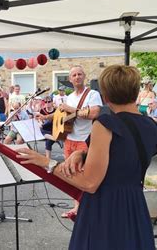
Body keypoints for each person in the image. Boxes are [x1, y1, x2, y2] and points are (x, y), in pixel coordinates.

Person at [16, 65, 157, 249]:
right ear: (135, 92)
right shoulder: (150, 126)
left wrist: (47, 162)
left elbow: (90, 183)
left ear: (106, 97)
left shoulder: (106, 124)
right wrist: (84, 153)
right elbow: (126, 151)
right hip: (135, 205)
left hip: (105, 207)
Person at [58, 65, 102, 219]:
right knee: (71, 174)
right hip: (70, 139)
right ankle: (77, 206)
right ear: (70, 79)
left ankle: (83, 208)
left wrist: (71, 109)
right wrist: (48, 117)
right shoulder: (69, 97)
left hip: (85, 140)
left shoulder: (92, 94)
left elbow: (95, 112)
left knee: (84, 174)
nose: (77, 77)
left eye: (79, 74)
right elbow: (65, 117)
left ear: (84, 77)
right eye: (74, 75)